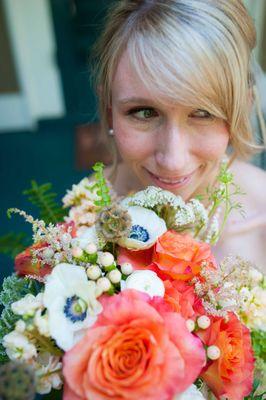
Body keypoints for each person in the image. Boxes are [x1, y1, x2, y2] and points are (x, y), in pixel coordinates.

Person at [91, 0, 266, 270]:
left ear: (242, 109)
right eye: (145, 112)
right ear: (109, 107)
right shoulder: (84, 210)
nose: (173, 161)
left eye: (204, 113)